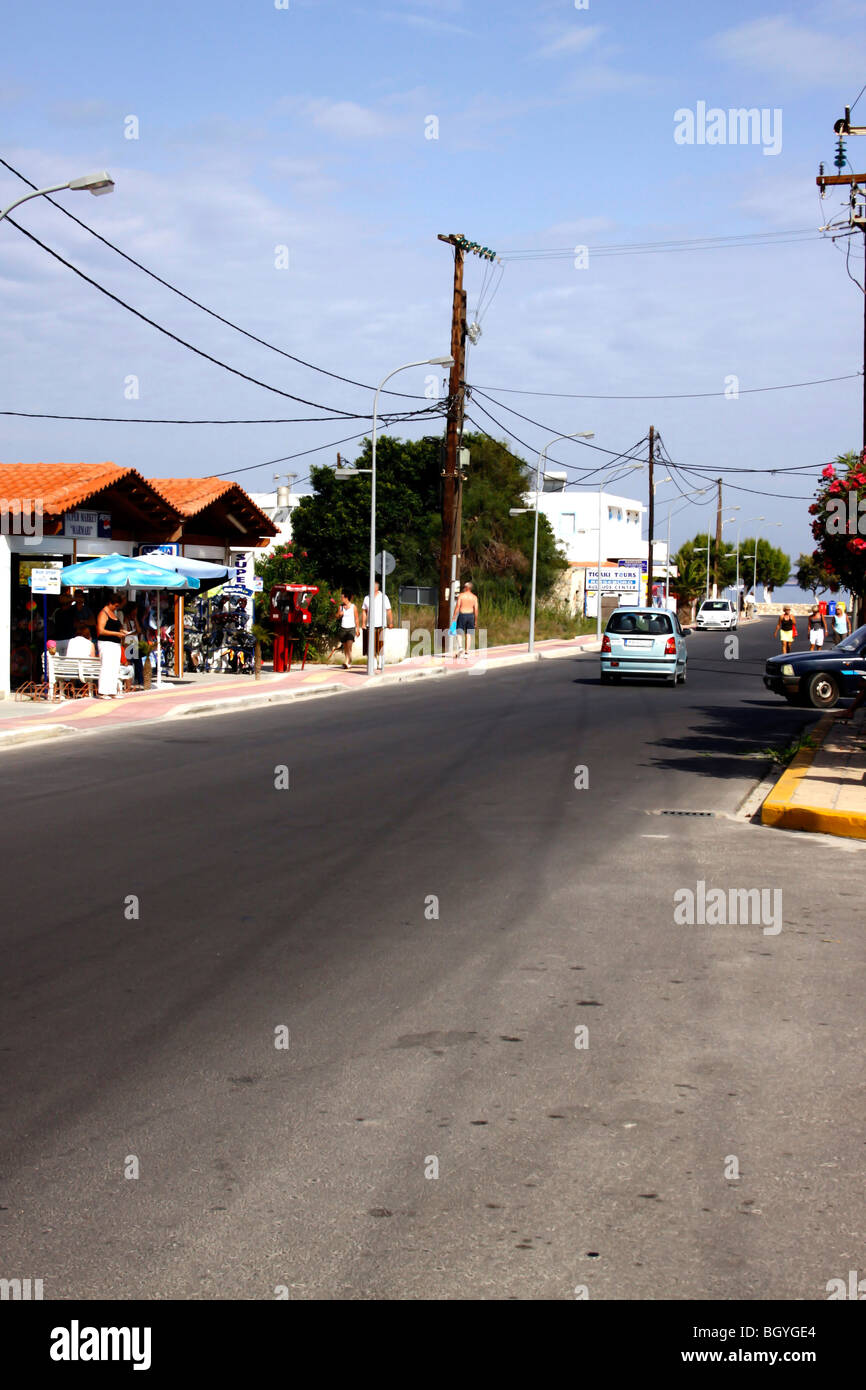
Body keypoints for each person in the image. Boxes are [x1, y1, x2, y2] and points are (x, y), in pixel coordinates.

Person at [96, 593, 127, 698]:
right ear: (110, 603)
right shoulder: (103, 613)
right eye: (115, 605)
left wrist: (122, 631)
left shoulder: (114, 614)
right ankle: (103, 691)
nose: (116, 608)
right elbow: (101, 630)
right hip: (106, 643)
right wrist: (117, 634)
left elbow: (116, 627)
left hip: (115, 644)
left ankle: (112, 690)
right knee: (106, 666)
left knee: (114, 667)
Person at [361, 581, 393, 672]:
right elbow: (364, 611)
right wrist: (363, 623)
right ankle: (374, 662)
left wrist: (390, 622)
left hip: (381, 624)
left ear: (376, 588)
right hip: (370, 625)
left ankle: (381, 662)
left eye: (372, 586)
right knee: (372, 645)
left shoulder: (384, 597)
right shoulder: (367, 598)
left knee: (380, 644)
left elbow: (389, 610)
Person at [452, 579, 479, 658]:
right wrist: (476, 620)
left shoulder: (461, 595)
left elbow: (457, 607)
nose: (463, 588)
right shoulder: (474, 597)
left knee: (459, 631)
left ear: (466, 588)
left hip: (462, 615)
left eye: (464, 587)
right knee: (469, 634)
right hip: (471, 616)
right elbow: (476, 610)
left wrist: (454, 616)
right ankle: (467, 653)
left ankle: (460, 647)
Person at [337, 591, 359, 669]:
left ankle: (347, 661)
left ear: (346, 598)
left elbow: (356, 619)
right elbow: (337, 616)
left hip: (351, 629)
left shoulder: (353, 607)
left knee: (349, 645)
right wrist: (340, 614)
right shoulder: (341, 607)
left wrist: (357, 629)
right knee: (345, 646)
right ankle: (348, 660)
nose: (341, 599)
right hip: (343, 628)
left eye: (342, 597)